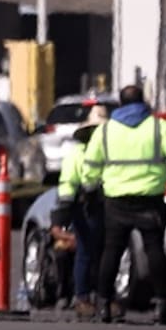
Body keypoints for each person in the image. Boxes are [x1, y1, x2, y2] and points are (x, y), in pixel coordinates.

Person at [82, 84, 166, 325]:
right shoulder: (158, 127)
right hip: (150, 199)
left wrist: (90, 191)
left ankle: (103, 305)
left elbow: (89, 169)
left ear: (120, 104)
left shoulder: (105, 131)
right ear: (143, 102)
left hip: (116, 200)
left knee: (111, 251)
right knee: (154, 250)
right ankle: (163, 305)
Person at [50, 104, 109, 319]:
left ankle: (98, 296)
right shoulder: (79, 153)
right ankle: (83, 296)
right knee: (87, 251)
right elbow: (68, 184)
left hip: (104, 206)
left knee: (103, 253)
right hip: (87, 206)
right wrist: (63, 212)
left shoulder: (107, 151)